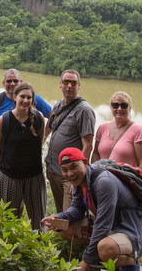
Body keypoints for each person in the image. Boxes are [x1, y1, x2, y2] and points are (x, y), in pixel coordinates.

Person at [42, 147, 142, 271]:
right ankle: (101, 260)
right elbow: (77, 210)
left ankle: (132, 264)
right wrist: (59, 217)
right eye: (64, 170)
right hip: (111, 226)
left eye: (74, 167)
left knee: (105, 248)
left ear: (85, 162)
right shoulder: (79, 182)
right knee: (64, 228)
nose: (70, 174)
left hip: (132, 228)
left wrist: (86, 261)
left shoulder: (103, 182)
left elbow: (103, 225)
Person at [0, 69, 52, 198]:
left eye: (15, 81)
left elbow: (52, 117)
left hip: (25, 164)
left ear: (21, 82)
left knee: (16, 201)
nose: (12, 84)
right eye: (9, 81)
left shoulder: (34, 100)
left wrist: (42, 139)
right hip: (0, 162)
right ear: (3, 83)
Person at [0, 82, 47, 231]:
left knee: (39, 218)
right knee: (7, 219)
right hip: (9, 176)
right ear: (15, 97)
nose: (26, 100)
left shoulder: (39, 117)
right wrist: (5, 164)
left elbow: (40, 143)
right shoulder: (4, 119)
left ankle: (39, 249)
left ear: (33, 99)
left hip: (34, 175)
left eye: (29, 97)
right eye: (22, 96)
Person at [44, 69, 96, 213]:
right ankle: (60, 236)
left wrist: (79, 173)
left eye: (73, 83)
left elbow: (88, 145)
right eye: (66, 82)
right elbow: (47, 130)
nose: (69, 86)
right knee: (60, 212)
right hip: (54, 170)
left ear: (79, 85)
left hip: (70, 176)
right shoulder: (58, 106)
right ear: (60, 84)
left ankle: (70, 236)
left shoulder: (84, 110)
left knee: (70, 215)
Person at [90, 91, 142, 171]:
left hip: (125, 181)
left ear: (130, 108)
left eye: (124, 105)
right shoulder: (102, 128)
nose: (119, 109)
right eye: (115, 105)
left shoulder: (138, 130)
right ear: (111, 107)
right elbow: (95, 154)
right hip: (102, 180)